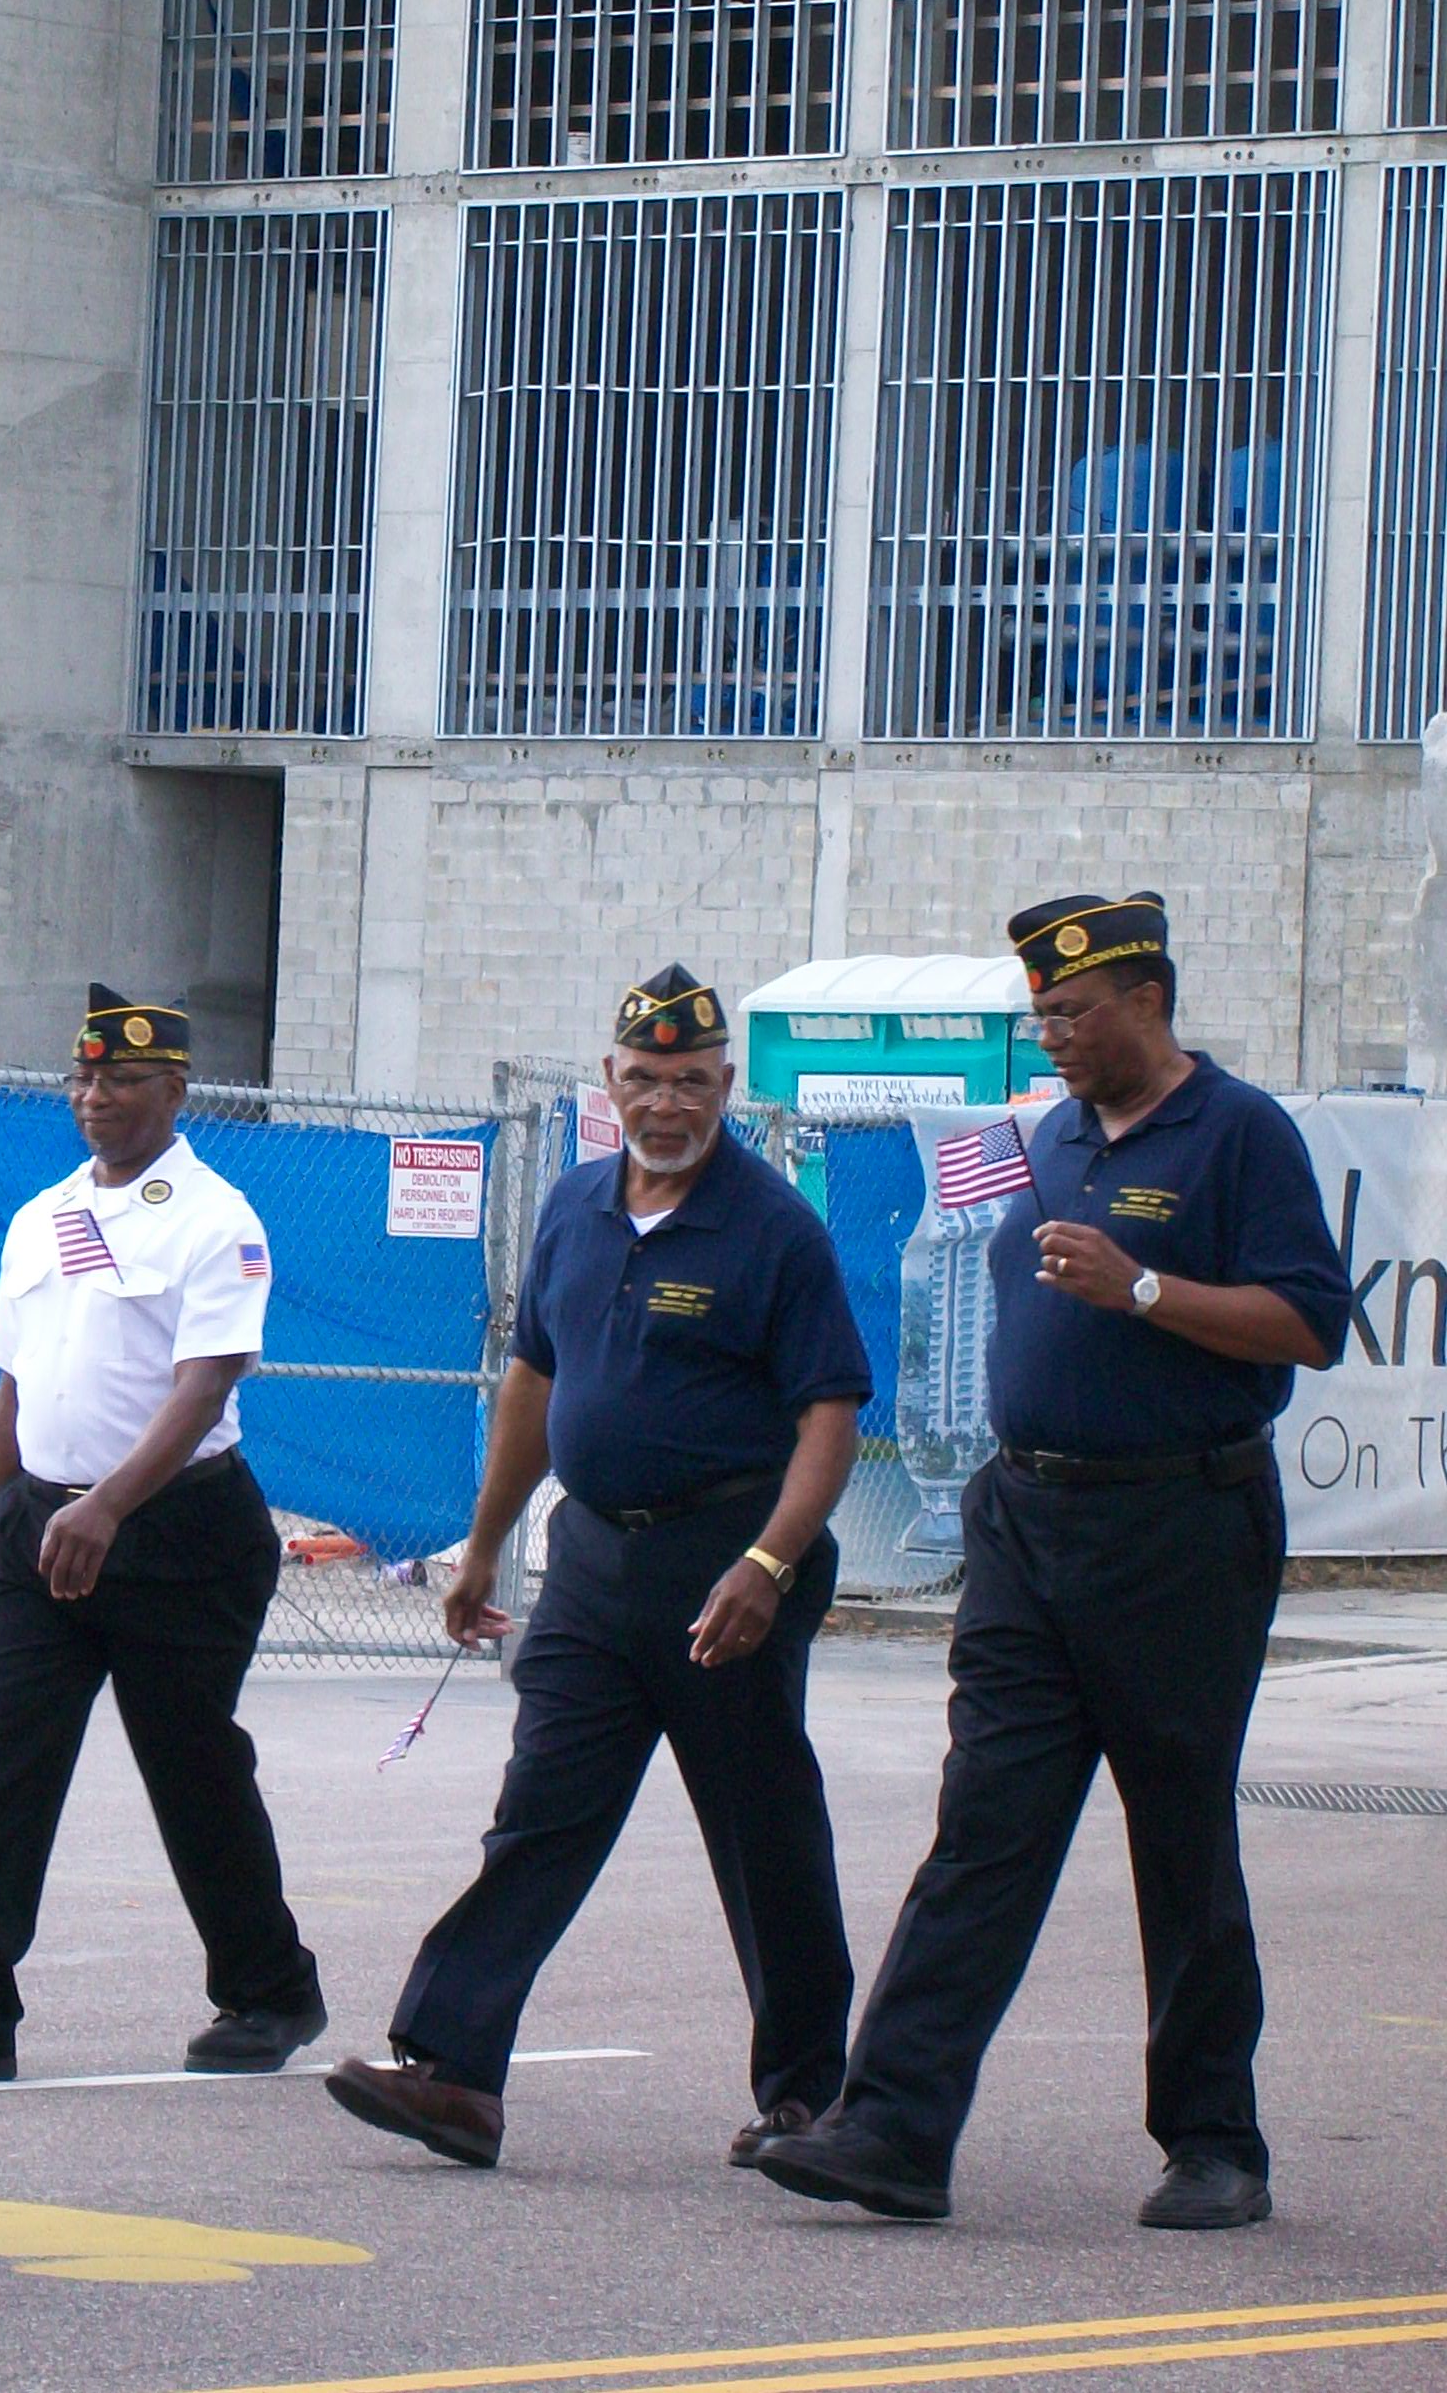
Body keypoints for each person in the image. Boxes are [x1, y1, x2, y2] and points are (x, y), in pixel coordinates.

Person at [756, 893, 1350, 2232]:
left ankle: (1214, 2143)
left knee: (1178, 1837)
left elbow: (1311, 1326)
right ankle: (892, 2130)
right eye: (1042, 1017)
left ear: (1146, 997)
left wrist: (1143, 1288)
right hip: (1029, 1525)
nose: (1055, 1038)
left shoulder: (1238, 1135)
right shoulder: (1054, 1138)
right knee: (986, 1829)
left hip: (1179, 1533)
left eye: (1073, 1012)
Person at [327, 964, 867, 2175]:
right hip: (590, 1562)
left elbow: (829, 1415)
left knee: (759, 1828)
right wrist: (482, 1544)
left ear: (725, 1086)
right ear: (608, 1083)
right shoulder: (573, 1205)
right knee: (540, 1814)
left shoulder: (774, 1230)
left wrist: (771, 1563)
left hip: (724, 1566)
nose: (664, 1104)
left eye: (688, 1081)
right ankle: (455, 2076)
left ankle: (806, 2094)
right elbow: (534, 1380)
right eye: (641, 1080)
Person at [0, 987, 328, 2088]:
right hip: (39, 1527)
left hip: (175, 1531)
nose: (94, 1099)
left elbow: (202, 1391)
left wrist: (108, 1505)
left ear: (174, 1091)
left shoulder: (215, 1218)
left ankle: (269, 1991)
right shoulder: (43, 1216)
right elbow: (12, 1389)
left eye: (120, 1081)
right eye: (82, 1079)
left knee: (191, 1766)